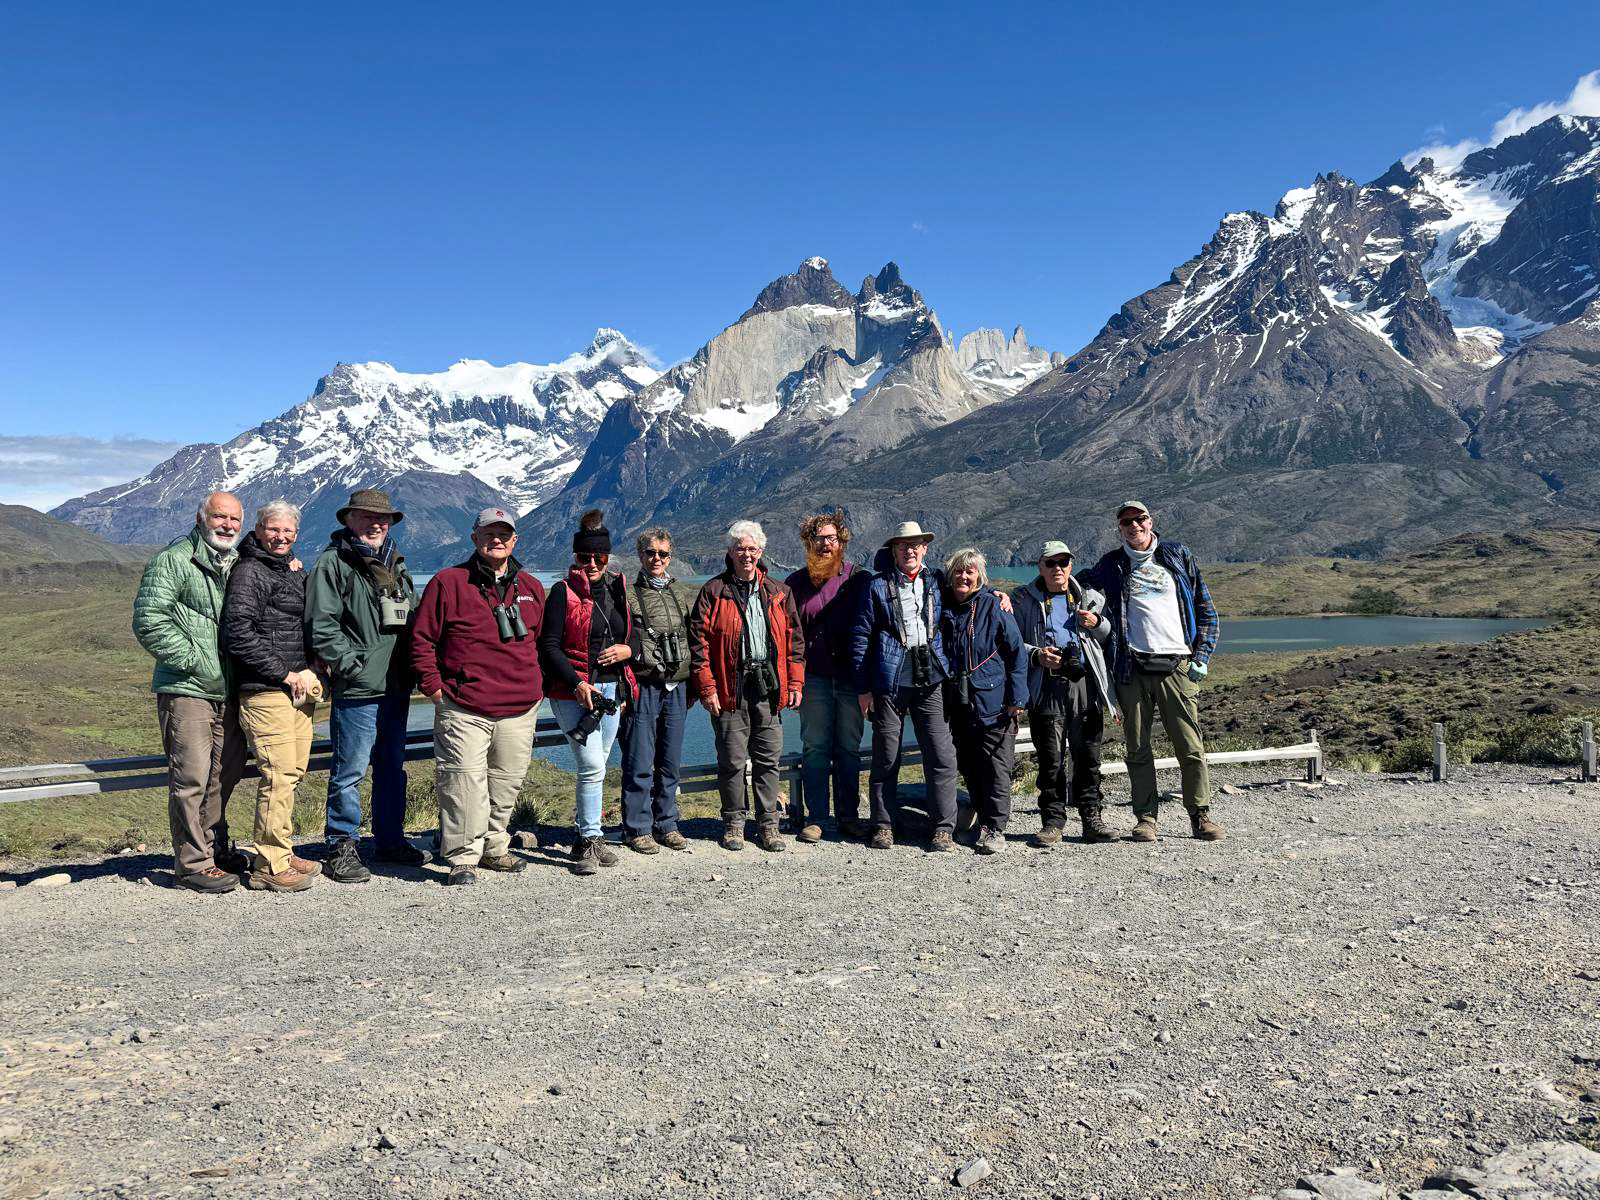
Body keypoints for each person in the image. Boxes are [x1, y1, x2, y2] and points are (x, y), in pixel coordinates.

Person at [412, 507, 547, 886]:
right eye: (488, 534)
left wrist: (536, 689)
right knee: (463, 784)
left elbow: (540, 642)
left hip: (520, 707)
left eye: (504, 534)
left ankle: (493, 847)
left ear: (515, 540)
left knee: (506, 783)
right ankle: (462, 857)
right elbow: (422, 640)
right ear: (474, 539)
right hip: (463, 706)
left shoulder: (532, 588)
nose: (496, 540)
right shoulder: (448, 583)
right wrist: (434, 687)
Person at [1080, 501, 1223, 843]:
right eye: (1126, 522)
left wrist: (1201, 656)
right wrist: (1019, 595)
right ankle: (1146, 818)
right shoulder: (1112, 564)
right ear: (1120, 529)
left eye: (1139, 519)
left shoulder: (1177, 556)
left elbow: (1205, 609)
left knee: (1189, 746)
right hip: (1132, 667)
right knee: (1138, 748)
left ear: (1150, 521)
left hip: (1177, 666)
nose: (1134, 525)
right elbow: (1073, 581)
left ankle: (1200, 815)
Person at [305, 488, 425, 882]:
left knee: (391, 767)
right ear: (349, 520)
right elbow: (322, 625)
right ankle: (341, 844)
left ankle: (390, 840)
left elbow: (412, 615)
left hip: (396, 683)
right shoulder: (333, 563)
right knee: (350, 770)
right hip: (359, 688)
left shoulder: (396, 564)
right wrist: (352, 667)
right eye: (367, 517)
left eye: (383, 518)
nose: (377, 524)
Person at [133, 491, 250, 893]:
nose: (228, 525)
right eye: (220, 517)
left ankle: (212, 849)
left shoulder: (237, 562)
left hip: (228, 691)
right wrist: (197, 661)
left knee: (223, 775)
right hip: (187, 689)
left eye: (235, 519)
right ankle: (192, 864)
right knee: (191, 778)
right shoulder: (174, 560)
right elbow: (149, 620)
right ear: (201, 519)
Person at [221, 499, 325, 893]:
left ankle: (281, 849)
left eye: (288, 531)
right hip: (267, 692)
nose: (281, 537)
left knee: (292, 774)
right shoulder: (250, 571)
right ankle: (268, 864)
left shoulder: (284, 567)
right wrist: (284, 672)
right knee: (278, 776)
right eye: (273, 529)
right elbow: (238, 633)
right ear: (259, 529)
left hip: (295, 691)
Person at [689, 520, 805, 853]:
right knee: (732, 761)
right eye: (740, 548)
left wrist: (795, 681)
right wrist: (707, 687)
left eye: (752, 548)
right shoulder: (713, 591)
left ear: (761, 551)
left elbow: (795, 642)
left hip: (768, 687)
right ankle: (734, 825)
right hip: (730, 689)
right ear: (730, 552)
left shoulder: (779, 593)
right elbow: (698, 644)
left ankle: (769, 825)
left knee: (768, 760)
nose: (746, 554)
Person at [849, 521, 961, 852]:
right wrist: (863, 688)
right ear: (894, 551)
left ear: (924, 548)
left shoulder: (938, 581)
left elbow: (968, 598)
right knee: (886, 755)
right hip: (889, 682)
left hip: (931, 680)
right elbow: (861, 636)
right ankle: (883, 825)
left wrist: (995, 595)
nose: (909, 550)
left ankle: (943, 827)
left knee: (940, 753)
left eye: (915, 544)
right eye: (903, 545)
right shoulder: (876, 587)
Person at [539, 509, 636, 876]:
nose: (592, 563)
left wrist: (628, 651)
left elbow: (634, 635)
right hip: (573, 691)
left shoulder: (618, 588)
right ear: (575, 557)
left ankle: (585, 838)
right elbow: (549, 646)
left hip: (611, 688)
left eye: (599, 557)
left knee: (598, 764)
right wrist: (577, 683)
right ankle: (591, 838)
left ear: (607, 557)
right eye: (585, 557)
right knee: (592, 765)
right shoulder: (562, 592)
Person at [1009, 539, 1119, 846]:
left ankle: (1091, 819)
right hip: (1046, 686)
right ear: (1040, 567)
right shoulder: (1022, 600)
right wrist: (1037, 655)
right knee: (1050, 758)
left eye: (1063, 562)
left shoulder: (1091, 597)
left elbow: (1110, 637)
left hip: (1084, 685)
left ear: (1071, 565)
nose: (1057, 568)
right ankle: (1053, 821)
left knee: (1088, 756)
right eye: (1051, 563)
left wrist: (1097, 623)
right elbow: (1012, 643)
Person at [784, 509, 868, 842]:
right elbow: (787, 635)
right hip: (813, 679)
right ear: (808, 543)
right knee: (815, 749)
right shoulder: (795, 584)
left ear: (841, 541)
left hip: (850, 679)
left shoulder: (859, 579)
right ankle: (816, 817)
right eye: (818, 539)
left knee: (848, 748)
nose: (825, 544)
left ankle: (848, 817)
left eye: (831, 538)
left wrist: (994, 595)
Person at [940, 548, 1029, 855]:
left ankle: (995, 828)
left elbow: (1017, 654)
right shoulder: (945, 606)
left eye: (970, 571)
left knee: (996, 766)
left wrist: (1017, 698)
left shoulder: (994, 606)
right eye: (958, 571)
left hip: (994, 701)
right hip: (958, 702)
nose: (964, 576)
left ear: (980, 576)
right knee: (969, 765)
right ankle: (981, 820)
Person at [619, 528, 691, 855]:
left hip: (677, 685)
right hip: (644, 685)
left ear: (670, 557)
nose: (656, 559)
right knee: (639, 759)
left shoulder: (681, 593)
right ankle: (638, 827)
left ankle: (667, 823)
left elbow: (694, 637)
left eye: (662, 554)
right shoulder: (628, 595)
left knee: (670, 760)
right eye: (650, 553)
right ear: (640, 555)